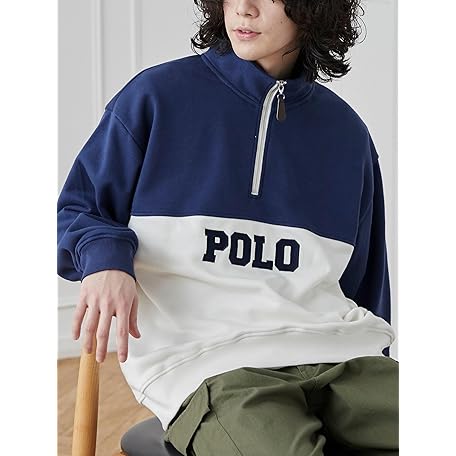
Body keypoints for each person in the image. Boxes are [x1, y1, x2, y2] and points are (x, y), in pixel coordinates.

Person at [57, 0, 399, 454]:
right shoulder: (157, 97)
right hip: (209, 363)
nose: (244, 9)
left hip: (343, 354)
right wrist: (104, 261)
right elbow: (79, 208)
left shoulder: (346, 134)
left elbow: (365, 282)